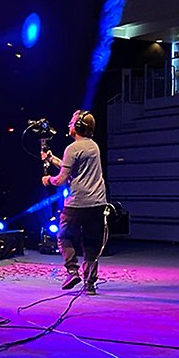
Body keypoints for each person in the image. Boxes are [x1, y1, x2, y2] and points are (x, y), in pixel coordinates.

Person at [42, 110, 108, 294]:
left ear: (78, 126)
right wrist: (51, 158)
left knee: (63, 236)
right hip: (97, 203)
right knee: (91, 243)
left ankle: (72, 270)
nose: (69, 125)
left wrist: (48, 180)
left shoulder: (72, 148)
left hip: (76, 204)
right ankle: (90, 284)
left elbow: (62, 179)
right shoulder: (94, 146)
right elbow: (72, 168)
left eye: (72, 122)